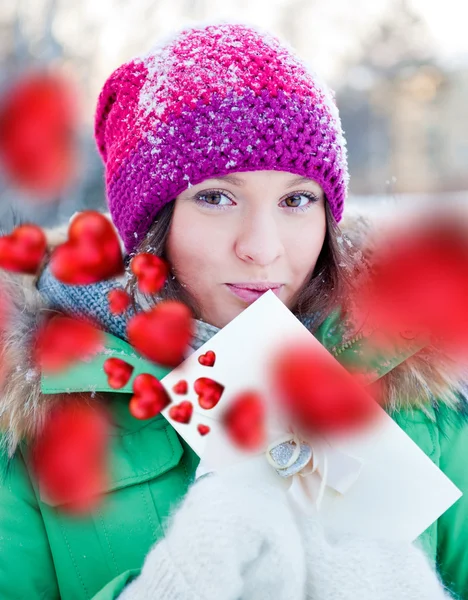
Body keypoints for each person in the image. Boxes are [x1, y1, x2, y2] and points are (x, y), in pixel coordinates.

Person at [0, 20, 466, 600]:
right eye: (217, 197)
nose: (263, 247)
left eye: (297, 199)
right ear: (151, 224)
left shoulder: (422, 390)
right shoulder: (30, 418)